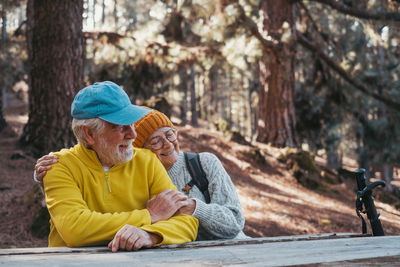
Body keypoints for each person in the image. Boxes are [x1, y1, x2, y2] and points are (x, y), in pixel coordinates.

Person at [36, 108, 247, 240]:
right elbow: (78, 224)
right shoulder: (138, 165)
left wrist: (191, 208)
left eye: (170, 134)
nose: (168, 144)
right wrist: (151, 216)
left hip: (237, 249)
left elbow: (234, 223)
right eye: (155, 141)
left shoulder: (203, 163)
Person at [39, 81, 198, 251]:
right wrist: (150, 215)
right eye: (121, 127)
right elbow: (75, 229)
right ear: (89, 133)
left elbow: (187, 221)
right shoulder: (58, 165)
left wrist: (150, 235)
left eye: (132, 123)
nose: (133, 134)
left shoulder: (147, 161)